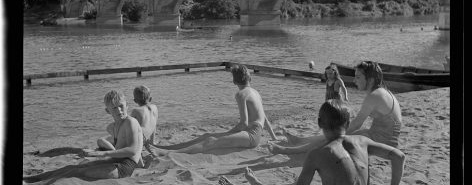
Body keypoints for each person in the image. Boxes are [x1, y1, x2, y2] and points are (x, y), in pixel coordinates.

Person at [242, 100, 405, 185]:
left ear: (320, 124)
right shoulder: (362, 141)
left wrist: (257, 183)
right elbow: (399, 156)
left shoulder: (317, 154)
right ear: (348, 124)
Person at [268, 61, 402, 154]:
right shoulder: (383, 92)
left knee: (334, 136)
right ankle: (300, 141)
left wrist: (336, 134)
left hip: (382, 142)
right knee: (335, 133)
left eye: (358, 77)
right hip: (383, 138)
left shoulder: (374, 96)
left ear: (371, 79)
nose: (354, 80)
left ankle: (289, 150)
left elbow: (356, 125)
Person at [150, 64, 278, 154]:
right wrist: (274, 137)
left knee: (211, 141)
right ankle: (166, 148)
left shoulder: (241, 94)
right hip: (254, 134)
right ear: (250, 78)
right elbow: (264, 118)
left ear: (234, 82)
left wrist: (228, 133)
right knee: (207, 135)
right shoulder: (255, 92)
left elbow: (244, 123)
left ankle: (168, 153)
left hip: (251, 136)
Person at [24, 90, 143, 183]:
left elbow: (133, 150)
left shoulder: (130, 122)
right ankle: (31, 179)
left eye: (121, 106)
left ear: (127, 105)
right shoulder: (115, 126)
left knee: (78, 172)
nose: (119, 110)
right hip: (115, 162)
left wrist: (102, 153)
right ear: (108, 111)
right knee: (71, 168)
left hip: (123, 169)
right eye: (114, 108)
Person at [129, 85, 158, 151]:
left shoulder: (136, 111)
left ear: (135, 101)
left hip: (140, 140)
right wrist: (152, 142)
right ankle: (152, 142)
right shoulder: (155, 107)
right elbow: (154, 125)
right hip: (147, 137)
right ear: (150, 99)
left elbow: (127, 126)